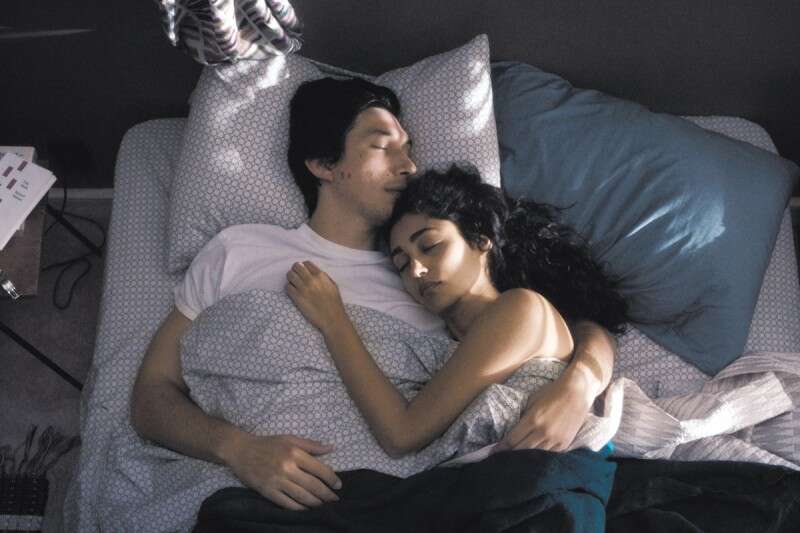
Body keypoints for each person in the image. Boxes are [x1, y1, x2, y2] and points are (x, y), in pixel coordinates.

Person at [130, 77, 618, 512]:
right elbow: (151, 396)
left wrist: (580, 382)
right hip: (266, 488)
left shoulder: (437, 285)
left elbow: (572, 327)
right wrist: (237, 449)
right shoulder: (239, 250)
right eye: (383, 147)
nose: (409, 166)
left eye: (409, 149)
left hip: (394, 493)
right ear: (323, 164)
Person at [287, 164, 630, 458]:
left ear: (481, 240)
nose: (416, 270)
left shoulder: (521, 308)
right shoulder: (447, 346)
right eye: (402, 264)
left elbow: (401, 435)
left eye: (430, 246)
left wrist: (334, 321)